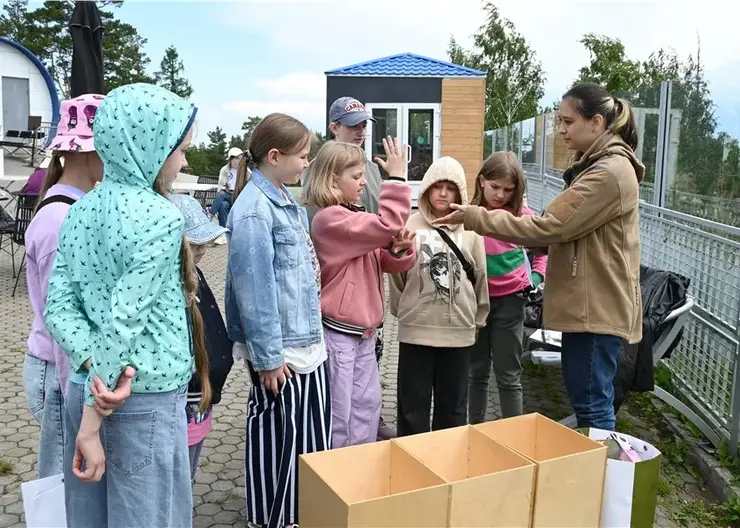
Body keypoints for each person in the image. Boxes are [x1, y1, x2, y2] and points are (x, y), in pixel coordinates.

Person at [433, 83, 644, 431]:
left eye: (567, 122)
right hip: (588, 308)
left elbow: (549, 228)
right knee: (587, 402)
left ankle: (602, 480)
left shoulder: (608, 173)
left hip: (597, 310)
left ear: (595, 123)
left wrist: (473, 216)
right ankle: (596, 476)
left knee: (592, 407)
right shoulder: (597, 166)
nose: (560, 130)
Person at [44, 83, 207, 528]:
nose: (184, 161)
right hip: (138, 400)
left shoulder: (80, 208)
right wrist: (94, 420)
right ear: (150, 145)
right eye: (180, 148)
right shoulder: (160, 216)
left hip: (87, 389)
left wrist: (92, 367)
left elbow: (58, 306)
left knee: (89, 518)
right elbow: (125, 318)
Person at [225, 113, 331, 528]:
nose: (307, 163)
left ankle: (300, 515)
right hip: (283, 354)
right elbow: (255, 292)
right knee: (278, 445)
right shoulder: (254, 211)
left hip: (304, 343)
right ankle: (274, 519)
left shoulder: (284, 200)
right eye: (302, 155)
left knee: (305, 443)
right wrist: (268, 358)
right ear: (274, 156)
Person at [304, 138, 416, 448]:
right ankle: (336, 476)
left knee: (367, 406)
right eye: (356, 176)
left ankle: (360, 468)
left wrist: (398, 250)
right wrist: (396, 178)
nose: (363, 182)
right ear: (332, 179)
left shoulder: (351, 215)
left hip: (364, 334)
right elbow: (388, 224)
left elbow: (383, 259)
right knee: (341, 414)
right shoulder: (330, 219)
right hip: (340, 336)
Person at [22, 94, 104, 478]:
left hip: (57, 366)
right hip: (58, 369)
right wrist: (80, 396)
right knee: (62, 483)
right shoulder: (62, 220)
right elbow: (63, 318)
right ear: (88, 152)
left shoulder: (69, 208)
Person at [389, 156, 488, 436]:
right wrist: (403, 312)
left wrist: (478, 318)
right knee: (411, 409)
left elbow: (480, 277)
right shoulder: (410, 225)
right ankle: (411, 468)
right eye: (437, 187)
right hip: (416, 333)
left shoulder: (472, 230)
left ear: (460, 192)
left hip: (458, 333)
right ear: (426, 190)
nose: (443, 193)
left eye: (450, 187)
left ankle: (448, 470)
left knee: (453, 409)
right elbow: (397, 277)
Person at [467, 152, 548, 422]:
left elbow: (544, 249)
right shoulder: (470, 216)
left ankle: (515, 436)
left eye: (508, 189)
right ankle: (474, 431)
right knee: (475, 371)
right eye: (495, 187)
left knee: (508, 373)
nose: (500, 195)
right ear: (481, 182)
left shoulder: (521, 216)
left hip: (511, 303)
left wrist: (535, 278)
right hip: (476, 303)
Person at [168, 193, 233, 482]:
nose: (202, 249)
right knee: (176, 472)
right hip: (185, 397)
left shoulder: (197, 274)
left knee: (189, 470)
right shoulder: (172, 286)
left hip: (202, 396)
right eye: (194, 244)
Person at [211, 147, 242, 227]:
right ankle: (224, 229)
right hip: (228, 194)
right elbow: (221, 186)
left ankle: (210, 215)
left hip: (239, 196)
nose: (238, 160)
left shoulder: (245, 171)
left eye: (239, 158)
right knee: (223, 205)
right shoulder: (225, 170)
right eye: (236, 158)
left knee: (221, 194)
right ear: (230, 159)